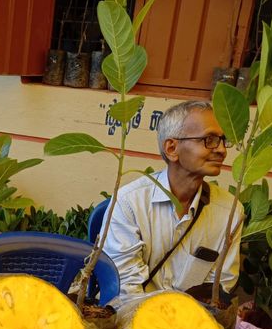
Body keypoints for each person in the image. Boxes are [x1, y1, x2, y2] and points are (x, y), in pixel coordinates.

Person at [102, 100, 243, 303]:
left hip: (190, 320)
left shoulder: (230, 211)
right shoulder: (129, 203)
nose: (222, 150)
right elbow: (125, 287)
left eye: (223, 140)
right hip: (133, 318)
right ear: (172, 148)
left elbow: (219, 285)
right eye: (209, 139)